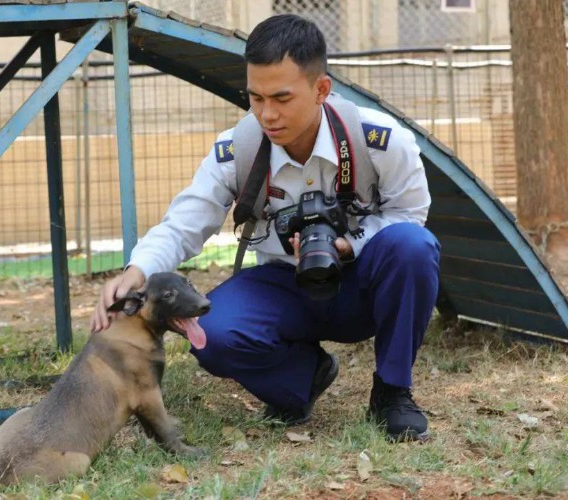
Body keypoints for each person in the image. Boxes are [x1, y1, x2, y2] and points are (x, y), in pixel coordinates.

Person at [91, 14, 440, 442]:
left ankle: (392, 393)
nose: (267, 114)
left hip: (361, 286)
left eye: (281, 98)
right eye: (255, 98)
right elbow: (184, 223)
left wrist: (348, 245)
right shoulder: (239, 147)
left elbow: (411, 214)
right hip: (284, 287)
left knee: (413, 247)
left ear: (321, 89)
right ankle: (302, 378)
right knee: (214, 333)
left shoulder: (377, 140)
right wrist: (136, 272)